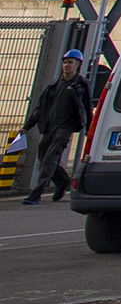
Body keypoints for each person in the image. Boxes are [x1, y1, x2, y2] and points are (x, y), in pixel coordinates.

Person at [20, 49, 93, 204]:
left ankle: (37, 192)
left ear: (77, 65)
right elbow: (40, 108)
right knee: (43, 155)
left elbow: (87, 107)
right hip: (49, 127)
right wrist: (27, 127)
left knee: (50, 158)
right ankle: (63, 182)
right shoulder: (54, 84)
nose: (66, 65)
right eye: (65, 62)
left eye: (70, 63)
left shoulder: (81, 85)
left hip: (65, 128)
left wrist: (89, 129)